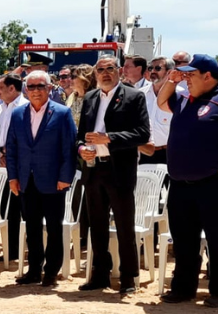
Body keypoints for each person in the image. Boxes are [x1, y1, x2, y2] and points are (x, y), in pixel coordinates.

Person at [76, 55, 150, 295]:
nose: (105, 73)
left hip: (119, 171)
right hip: (93, 170)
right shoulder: (89, 98)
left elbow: (142, 134)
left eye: (109, 69)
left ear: (118, 71)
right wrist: (82, 150)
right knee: (96, 228)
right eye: (100, 70)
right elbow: (80, 135)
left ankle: (128, 277)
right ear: (95, 74)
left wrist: (110, 138)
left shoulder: (134, 96)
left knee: (124, 226)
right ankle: (100, 276)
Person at [153, 54, 218, 305]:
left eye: (190, 74)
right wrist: (172, 79)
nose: (186, 79)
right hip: (180, 183)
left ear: (208, 76)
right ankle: (183, 288)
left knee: (216, 239)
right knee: (183, 240)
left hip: (211, 183)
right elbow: (161, 102)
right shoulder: (184, 100)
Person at [5, 71, 77, 287]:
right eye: (32, 86)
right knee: (32, 228)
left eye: (40, 86)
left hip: (54, 180)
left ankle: (51, 271)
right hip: (27, 180)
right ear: (26, 90)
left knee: (54, 228)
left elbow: (69, 148)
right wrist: (13, 177)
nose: (36, 90)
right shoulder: (17, 114)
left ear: (49, 88)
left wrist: (65, 177)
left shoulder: (63, 113)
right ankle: (34, 270)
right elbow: (12, 148)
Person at [0, 73, 29, 263]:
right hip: (1, 163)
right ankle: (12, 249)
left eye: (1, 88)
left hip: (20, 162)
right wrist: (0, 154)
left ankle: (28, 249)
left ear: (12, 88)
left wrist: (10, 155)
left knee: (23, 207)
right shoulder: (0, 108)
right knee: (5, 208)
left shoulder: (25, 106)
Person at [138, 56, 182, 165]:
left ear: (169, 72)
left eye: (157, 68)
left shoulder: (180, 96)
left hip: (171, 153)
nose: (152, 71)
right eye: (150, 68)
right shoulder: (139, 95)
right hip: (145, 154)